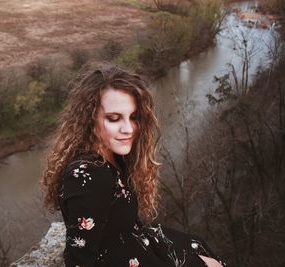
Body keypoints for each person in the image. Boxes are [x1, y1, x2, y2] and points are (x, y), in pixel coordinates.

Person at [41, 63, 225, 267]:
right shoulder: (87, 178)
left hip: (136, 242)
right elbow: (79, 261)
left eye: (134, 117)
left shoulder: (112, 155)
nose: (128, 129)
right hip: (122, 260)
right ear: (90, 119)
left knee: (201, 249)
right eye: (114, 118)